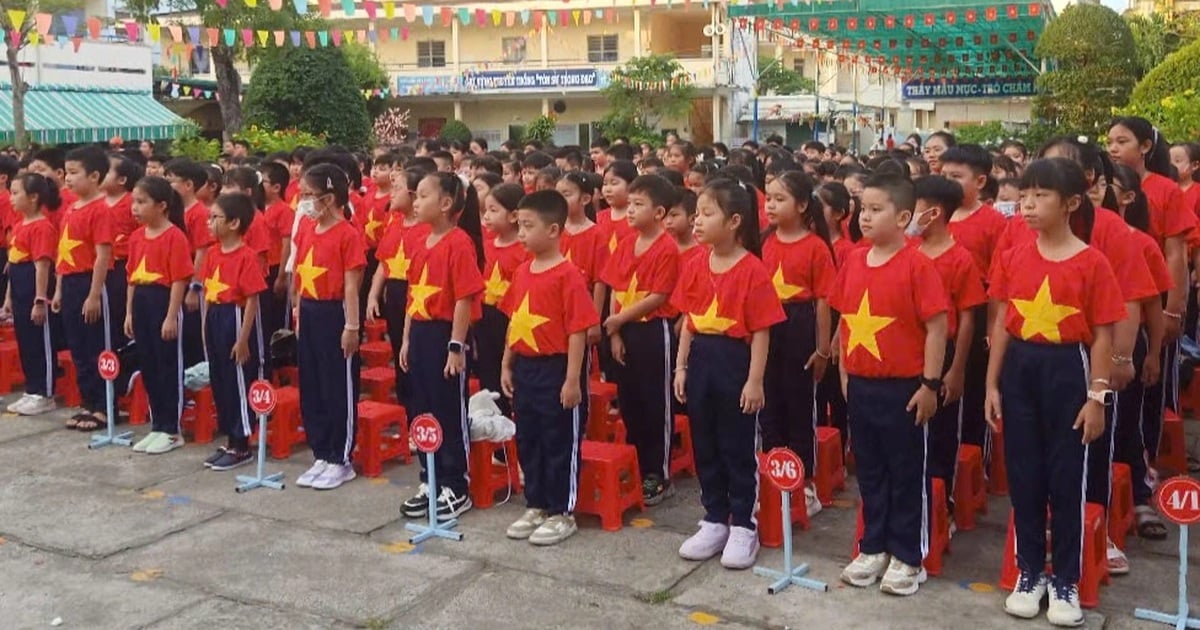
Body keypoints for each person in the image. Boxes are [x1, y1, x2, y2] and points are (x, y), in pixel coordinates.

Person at [986, 158, 1126, 626]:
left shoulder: (1092, 262)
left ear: (1070, 203)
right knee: (1024, 476)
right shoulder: (1013, 255)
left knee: (1066, 479)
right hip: (1021, 368)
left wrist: (1097, 397)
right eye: (1025, 195)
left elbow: (1104, 335)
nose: (1027, 204)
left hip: (1069, 368)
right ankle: (1031, 571)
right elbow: (1003, 323)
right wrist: (991, 383)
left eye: (1041, 195)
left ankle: (1065, 577)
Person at [831, 173, 948, 596]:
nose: (866, 217)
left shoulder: (918, 265)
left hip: (904, 387)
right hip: (862, 385)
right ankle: (873, 545)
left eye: (877, 210)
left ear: (903, 217)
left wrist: (930, 385)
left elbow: (938, 327)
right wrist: (844, 373)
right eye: (863, 208)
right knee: (871, 469)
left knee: (906, 471)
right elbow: (844, 320)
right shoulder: (854, 261)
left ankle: (907, 555)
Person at [673, 178, 785, 569]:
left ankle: (744, 524)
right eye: (696, 214)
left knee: (737, 446)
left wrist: (755, 381)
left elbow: (761, 331)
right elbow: (689, 321)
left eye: (707, 214)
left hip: (735, 362)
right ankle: (714, 517)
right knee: (705, 444)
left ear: (734, 221)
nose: (697, 222)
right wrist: (681, 366)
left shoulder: (753, 270)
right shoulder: (694, 264)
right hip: (701, 358)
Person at [499, 189, 600, 545]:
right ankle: (537, 503)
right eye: (519, 225)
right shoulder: (523, 271)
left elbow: (577, 332)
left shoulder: (568, 275)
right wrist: (507, 363)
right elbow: (515, 321)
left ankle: (562, 510)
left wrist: (573, 380)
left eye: (528, 226)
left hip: (557, 369)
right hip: (526, 367)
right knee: (529, 436)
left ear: (554, 230)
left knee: (559, 439)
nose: (521, 233)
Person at [399, 172, 485, 520]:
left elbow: (464, 298)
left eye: (421, 196)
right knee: (421, 407)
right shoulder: (421, 241)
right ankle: (429, 476)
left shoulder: (459, 242)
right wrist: (405, 339)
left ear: (446, 204)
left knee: (447, 408)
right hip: (419, 333)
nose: (415, 202)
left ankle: (455, 484)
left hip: (444, 335)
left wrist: (455, 346)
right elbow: (412, 294)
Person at [601, 173, 681, 505]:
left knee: (655, 403)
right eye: (630, 204)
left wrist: (620, 318)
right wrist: (615, 331)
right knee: (630, 400)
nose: (630, 211)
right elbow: (614, 287)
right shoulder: (624, 243)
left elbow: (659, 296)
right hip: (624, 329)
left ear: (659, 213)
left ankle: (658, 474)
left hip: (652, 331)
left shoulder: (667, 248)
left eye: (638, 205)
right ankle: (635, 463)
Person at [760, 171, 836, 517]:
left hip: (800, 325)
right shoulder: (763, 241)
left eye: (780, 199)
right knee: (769, 404)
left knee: (800, 406)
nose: (770, 205)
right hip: (767, 327)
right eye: (769, 198)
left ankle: (803, 482)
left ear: (803, 205)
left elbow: (823, 302)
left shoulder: (816, 247)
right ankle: (775, 475)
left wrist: (822, 349)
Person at [911, 175, 986, 520]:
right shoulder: (908, 252)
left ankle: (944, 505)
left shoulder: (960, 259)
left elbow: (968, 318)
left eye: (913, 208)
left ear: (933, 213)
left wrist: (956, 370)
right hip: (910, 351)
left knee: (941, 431)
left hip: (945, 353)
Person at [292, 163, 366, 491]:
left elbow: (351, 286)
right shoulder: (307, 229)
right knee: (312, 383)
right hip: (308, 311)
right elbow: (300, 277)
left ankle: (341, 456)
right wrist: (297, 311)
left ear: (329, 197)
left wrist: (352, 326)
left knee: (338, 385)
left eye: (309, 195)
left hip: (334, 313)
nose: (303, 201)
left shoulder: (348, 235)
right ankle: (321, 451)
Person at [937, 145, 1008, 459]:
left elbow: (999, 280)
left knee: (973, 382)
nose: (948, 182)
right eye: (943, 175)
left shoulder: (993, 222)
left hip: (977, 310)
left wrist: (992, 327)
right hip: (937, 312)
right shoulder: (933, 217)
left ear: (980, 182)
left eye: (957, 176)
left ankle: (975, 457)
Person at [124, 176, 192, 454]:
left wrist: (171, 316)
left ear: (162, 206)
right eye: (134, 202)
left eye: (142, 202)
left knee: (167, 367)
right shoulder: (136, 237)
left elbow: (179, 279)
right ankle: (157, 425)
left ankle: (172, 429)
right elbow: (131, 278)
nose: (135, 208)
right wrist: (128, 313)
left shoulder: (174, 236)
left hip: (163, 301)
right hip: (141, 301)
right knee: (148, 366)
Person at [200, 192, 268, 470]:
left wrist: (243, 340)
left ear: (234, 223)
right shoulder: (213, 253)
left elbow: (252, 300)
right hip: (215, 315)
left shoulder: (247, 256)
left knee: (238, 379)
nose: (209, 223)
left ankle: (242, 443)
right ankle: (229, 437)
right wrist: (206, 327)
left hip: (236, 316)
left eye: (215, 218)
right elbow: (207, 291)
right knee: (220, 380)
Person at [53, 146, 116, 432]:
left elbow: (103, 254)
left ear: (94, 176)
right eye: (66, 173)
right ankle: (88, 401)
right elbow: (63, 253)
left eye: (74, 173)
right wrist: (58, 290)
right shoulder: (70, 209)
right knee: (78, 347)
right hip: (70, 282)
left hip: (91, 281)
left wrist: (94, 295)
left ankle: (105, 405)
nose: (68, 179)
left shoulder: (100, 209)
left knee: (96, 346)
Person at [366, 167, 428, 406]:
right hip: (394, 294)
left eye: (397, 188)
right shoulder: (395, 224)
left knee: (414, 354)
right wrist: (373, 295)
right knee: (398, 351)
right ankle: (407, 409)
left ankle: (421, 412)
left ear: (413, 195)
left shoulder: (425, 230)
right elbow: (383, 263)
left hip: (417, 297)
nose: (391, 193)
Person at [1, 173, 60, 416]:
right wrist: (8, 298)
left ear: (34, 197)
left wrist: (39, 300)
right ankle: (32, 388)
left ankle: (45, 393)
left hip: (35, 292)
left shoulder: (42, 227)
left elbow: (42, 266)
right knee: (26, 342)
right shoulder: (19, 225)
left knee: (40, 343)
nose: (11, 198)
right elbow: (12, 264)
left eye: (16, 193)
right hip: (19, 289)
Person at [477, 183, 527, 417]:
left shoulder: (524, 250)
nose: (486, 216)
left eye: (494, 210)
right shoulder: (484, 247)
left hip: (512, 319)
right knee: (488, 370)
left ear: (514, 215)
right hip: (484, 317)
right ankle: (496, 425)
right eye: (485, 210)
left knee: (512, 373)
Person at [102, 154, 143, 350]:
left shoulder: (131, 203)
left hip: (123, 266)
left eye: (107, 170)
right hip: (100, 267)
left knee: (119, 314)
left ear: (122, 179)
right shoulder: (97, 202)